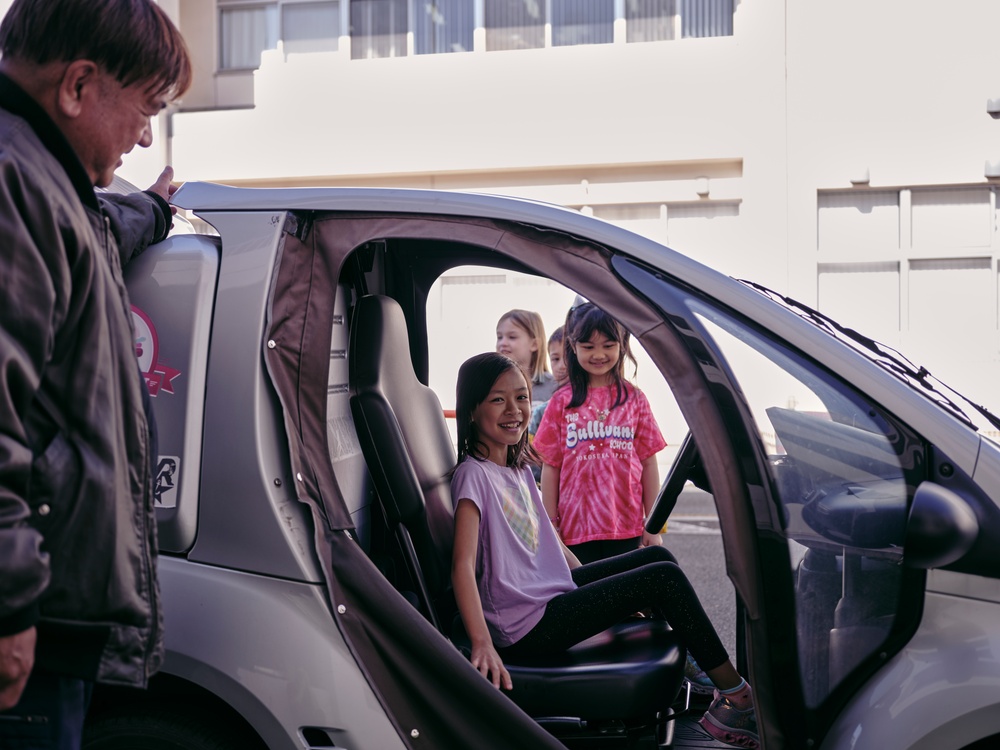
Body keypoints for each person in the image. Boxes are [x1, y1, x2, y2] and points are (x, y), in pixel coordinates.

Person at [0, 0, 192, 746]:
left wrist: (155, 210)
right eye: (144, 109)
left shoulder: (50, 183)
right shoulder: (17, 185)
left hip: (49, 610)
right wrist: (9, 607)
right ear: (78, 85)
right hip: (31, 618)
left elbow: (103, 229)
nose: (146, 135)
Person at [450, 352, 759, 749]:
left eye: (522, 398)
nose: (514, 410)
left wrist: (601, 592)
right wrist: (481, 642)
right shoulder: (473, 476)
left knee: (657, 559)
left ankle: (697, 671)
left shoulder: (515, 470)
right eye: (498, 400)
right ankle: (737, 698)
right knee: (662, 579)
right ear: (472, 410)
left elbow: (552, 544)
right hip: (526, 625)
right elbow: (462, 565)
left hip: (547, 594)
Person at [533, 303, 667, 564]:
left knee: (628, 601)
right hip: (574, 531)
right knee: (588, 598)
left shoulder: (635, 399)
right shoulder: (562, 402)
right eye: (588, 346)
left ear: (622, 345)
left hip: (627, 527)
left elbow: (649, 463)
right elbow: (551, 467)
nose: (598, 354)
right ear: (573, 346)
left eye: (608, 345)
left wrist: (653, 525)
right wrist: (550, 525)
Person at [495, 309, 556, 405]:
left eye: (512, 337)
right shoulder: (493, 386)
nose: (503, 343)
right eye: (499, 337)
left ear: (534, 344)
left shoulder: (554, 387)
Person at [527, 325, 568, 441]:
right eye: (555, 359)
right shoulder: (542, 412)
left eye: (569, 358)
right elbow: (532, 452)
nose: (562, 366)